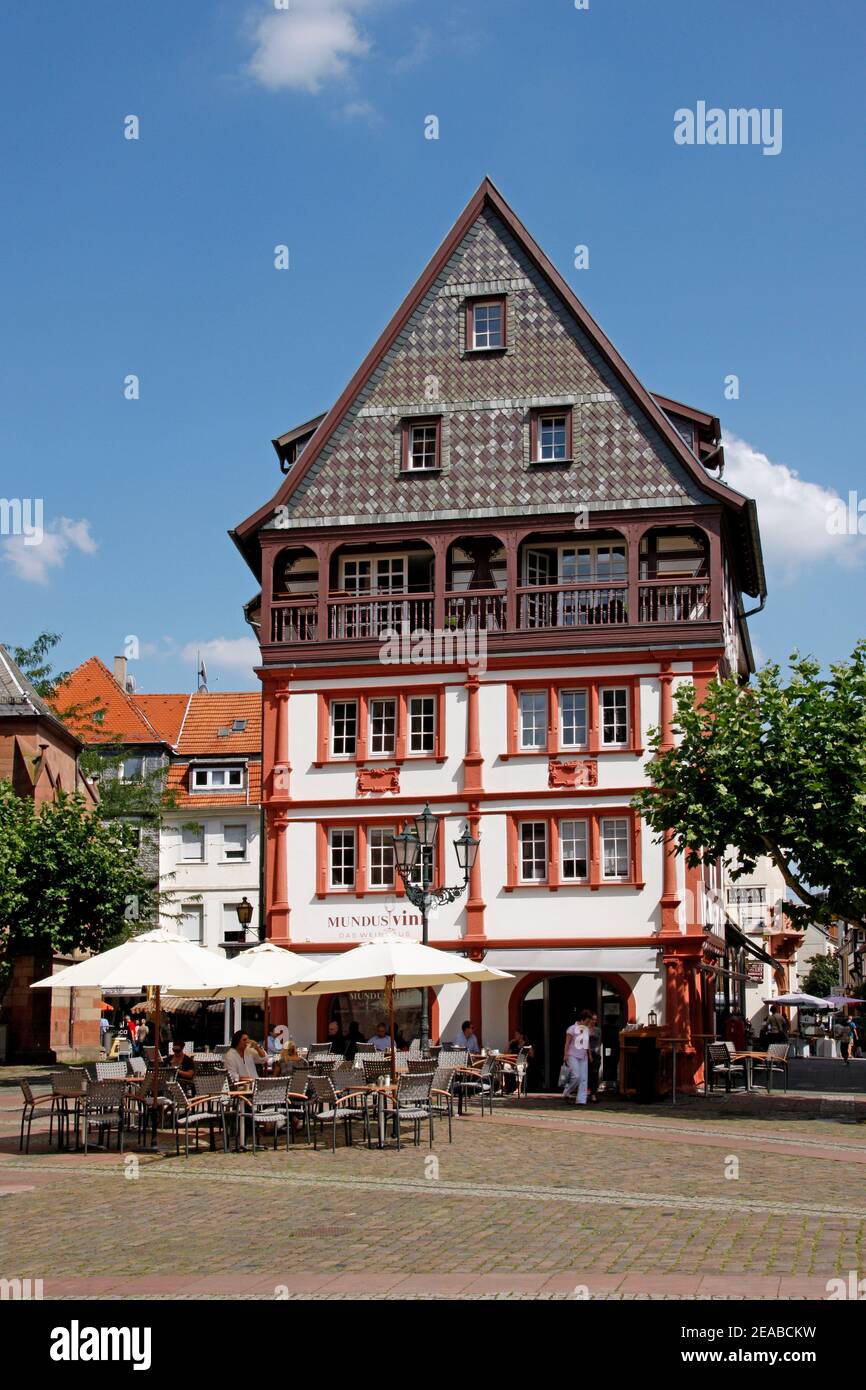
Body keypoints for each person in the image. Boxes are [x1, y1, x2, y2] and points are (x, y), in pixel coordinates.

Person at [562, 1009, 592, 1105]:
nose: (588, 1023)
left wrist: (589, 1054)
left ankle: (581, 1100)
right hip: (572, 1055)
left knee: (583, 1078)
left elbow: (587, 1043)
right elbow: (567, 1043)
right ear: (582, 1020)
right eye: (587, 1021)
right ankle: (567, 1092)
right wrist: (565, 1054)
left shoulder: (586, 1029)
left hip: (583, 1056)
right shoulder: (572, 1029)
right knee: (576, 1076)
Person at [587, 1012, 602, 1103]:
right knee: (587, 1074)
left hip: (596, 1055)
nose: (594, 1021)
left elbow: (599, 1042)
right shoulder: (585, 1029)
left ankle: (593, 1094)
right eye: (592, 1019)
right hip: (586, 1054)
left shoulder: (598, 1030)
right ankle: (585, 1093)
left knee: (594, 1074)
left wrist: (597, 1052)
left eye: (595, 1020)